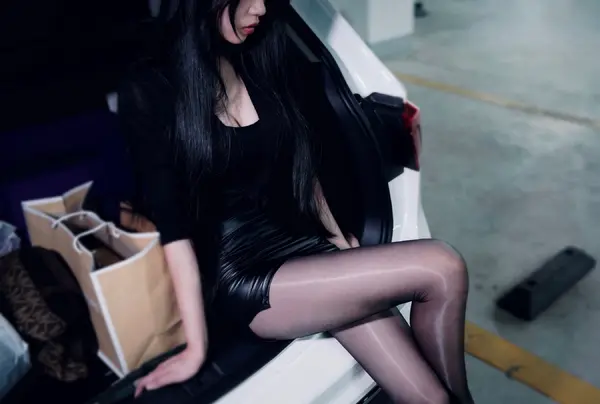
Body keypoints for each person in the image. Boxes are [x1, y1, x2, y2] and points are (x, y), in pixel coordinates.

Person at [120, 0, 474, 403]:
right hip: (245, 275)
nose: (261, 8)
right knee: (443, 267)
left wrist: (337, 241)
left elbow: (302, 169)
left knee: (432, 399)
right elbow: (175, 231)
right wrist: (196, 348)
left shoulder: (258, 56)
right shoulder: (150, 88)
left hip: (304, 246)